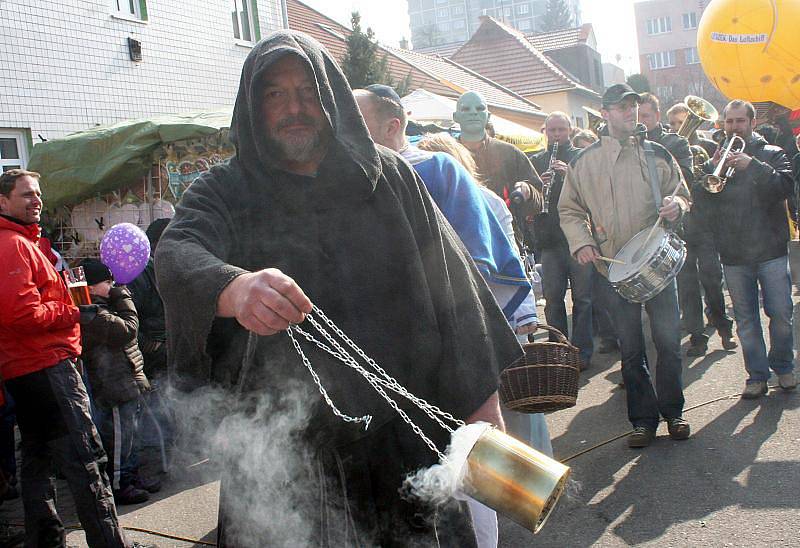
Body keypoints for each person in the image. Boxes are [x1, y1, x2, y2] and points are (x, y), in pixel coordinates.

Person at [155, 30, 522, 547]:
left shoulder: (390, 178)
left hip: (407, 441)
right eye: (275, 95)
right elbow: (176, 255)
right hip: (285, 456)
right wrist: (235, 288)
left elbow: (455, 298)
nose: (294, 108)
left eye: (307, 90)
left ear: (331, 99)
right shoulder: (224, 191)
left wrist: (484, 412)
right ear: (253, 108)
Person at [355, 83, 543, 548]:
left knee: (475, 457)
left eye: (355, 121)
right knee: (421, 479)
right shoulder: (351, 183)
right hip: (389, 361)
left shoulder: (436, 168)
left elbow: (475, 260)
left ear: (391, 126)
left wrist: (464, 350)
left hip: (452, 348)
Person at [0, 169, 133, 547]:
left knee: (38, 459)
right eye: (26, 195)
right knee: (86, 459)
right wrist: (76, 313)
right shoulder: (13, 246)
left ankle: (47, 541)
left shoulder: (22, 242)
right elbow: (23, 315)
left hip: (27, 368)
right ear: (3, 202)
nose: (36, 200)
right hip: (46, 366)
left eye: (38, 193)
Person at [559, 83, 692, 448]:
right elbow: (569, 210)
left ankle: (675, 413)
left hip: (658, 267)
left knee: (668, 343)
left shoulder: (657, 154)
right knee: (631, 351)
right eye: (621, 108)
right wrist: (582, 241)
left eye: (633, 106)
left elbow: (682, 192)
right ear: (605, 114)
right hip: (612, 269)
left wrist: (678, 205)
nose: (629, 113)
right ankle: (643, 421)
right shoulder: (584, 163)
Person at [696, 99, 797, 398]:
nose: (734, 127)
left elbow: (785, 187)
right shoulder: (717, 159)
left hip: (771, 250)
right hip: (734, 253)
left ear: (752, 123)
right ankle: (756, 375)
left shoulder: (772, 153)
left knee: (780, 314)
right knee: (746, 322)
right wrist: (708, 175)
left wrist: (753, 166)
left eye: (740, 121)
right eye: (730, 121)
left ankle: (783, 366)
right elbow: (705, 205)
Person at [640, 93, 736, 356]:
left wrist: (709, 168)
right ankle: (697, 336)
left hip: (702, 223)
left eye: (681, 120)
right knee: (687, 284)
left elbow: (694, 182)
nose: (677, 125)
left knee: (712, 278)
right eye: (675, 121)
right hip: (677, 228)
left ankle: (723, 327)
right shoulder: (641, 145)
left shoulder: (689, 146)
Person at [79, 258, 152, 505]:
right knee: (120, 441)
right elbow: (127, 330)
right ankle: (120, 484)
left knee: (131, 437)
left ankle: (131, 477)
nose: (112, 286)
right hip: (114, 387)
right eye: (106, 282)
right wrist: (123, 296)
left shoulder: (104, 306)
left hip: (126, 382)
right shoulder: (92, 312)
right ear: (89, 287)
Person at [528, 112, 593, 368]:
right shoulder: (536, 160)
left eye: (561, 130)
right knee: (553, 299)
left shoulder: (581, 157)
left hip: (577, 240)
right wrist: (536, 188)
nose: (556, 135)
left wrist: (569, 176)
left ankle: (582, 353)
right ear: (545, 131)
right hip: (549, 240)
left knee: (583, 299)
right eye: (552, 130)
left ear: (570, 131)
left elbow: (592, 195)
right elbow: (529, 203)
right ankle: (559, 351)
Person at [453, 90, 543, 247]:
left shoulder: (510, 153)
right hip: (458, 244)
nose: (473, 113)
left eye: (480, 108)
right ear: (456, 117)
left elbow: (539, 201)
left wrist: (528, 191)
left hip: (504, 243)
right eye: (466, 109)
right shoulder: (443, 154)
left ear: (488, 116)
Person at [127, 218, 173, 490]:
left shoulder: (160, 268)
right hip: (150, 356)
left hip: (162, 351)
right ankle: (151, 469)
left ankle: (161, 465)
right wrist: (153, 347)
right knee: (153, 414)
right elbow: (133, 320)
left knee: (164, 409)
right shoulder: (139, 274)